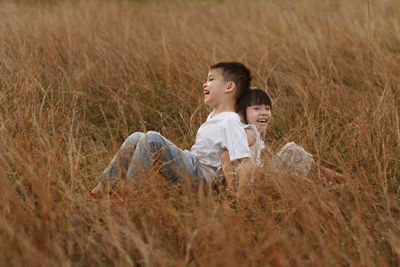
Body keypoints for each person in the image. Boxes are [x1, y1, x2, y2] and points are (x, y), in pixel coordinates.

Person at [89, 62, 253, 197]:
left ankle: (129, 195)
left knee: (152, 138)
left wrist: (241, 199)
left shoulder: (231, 120)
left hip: (201, 177)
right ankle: (102, 187)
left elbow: (245, 161)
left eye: (211, 79)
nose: (205, 84)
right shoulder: (214, 115)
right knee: (136, 137)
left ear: (229, 87)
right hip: (193, 164)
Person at [235, 88, 345, 183]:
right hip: (254, 182)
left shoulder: (249, 132)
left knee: (294, 156)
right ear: (241, 112)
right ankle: (343, 182)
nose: (264, 112)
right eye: (257, 108)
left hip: (258, 176)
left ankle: (337, 182)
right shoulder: (249, 133)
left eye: (267, 109)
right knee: (293, 152)